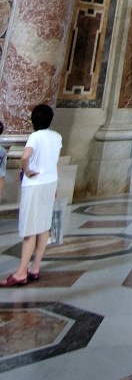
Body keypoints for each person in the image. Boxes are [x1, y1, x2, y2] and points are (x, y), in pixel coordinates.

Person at [1, 105, 62, 286]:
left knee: (29, 229)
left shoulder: (35, 136)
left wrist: (26, 171)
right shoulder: (57, 137)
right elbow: (56, 163)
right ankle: (35, 267)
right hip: (50, 183)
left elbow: (25, 156)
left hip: (35, 185)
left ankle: (21, 272)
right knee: (43, 226)